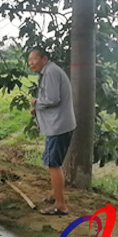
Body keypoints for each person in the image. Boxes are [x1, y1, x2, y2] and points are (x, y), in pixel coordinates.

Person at [28, 46, 76, 216]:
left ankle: (60, 205)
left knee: (53, 164)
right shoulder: (49, 71)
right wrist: (38, 108)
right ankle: (56, 194)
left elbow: (53, 99)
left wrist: (36, 103)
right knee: (54, 162)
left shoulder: (50, 72)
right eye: (29, 60)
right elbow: (50, 99)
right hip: (59, 124)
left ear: (44, 59)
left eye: (34, 59)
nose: (31, 63)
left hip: (58, 126)